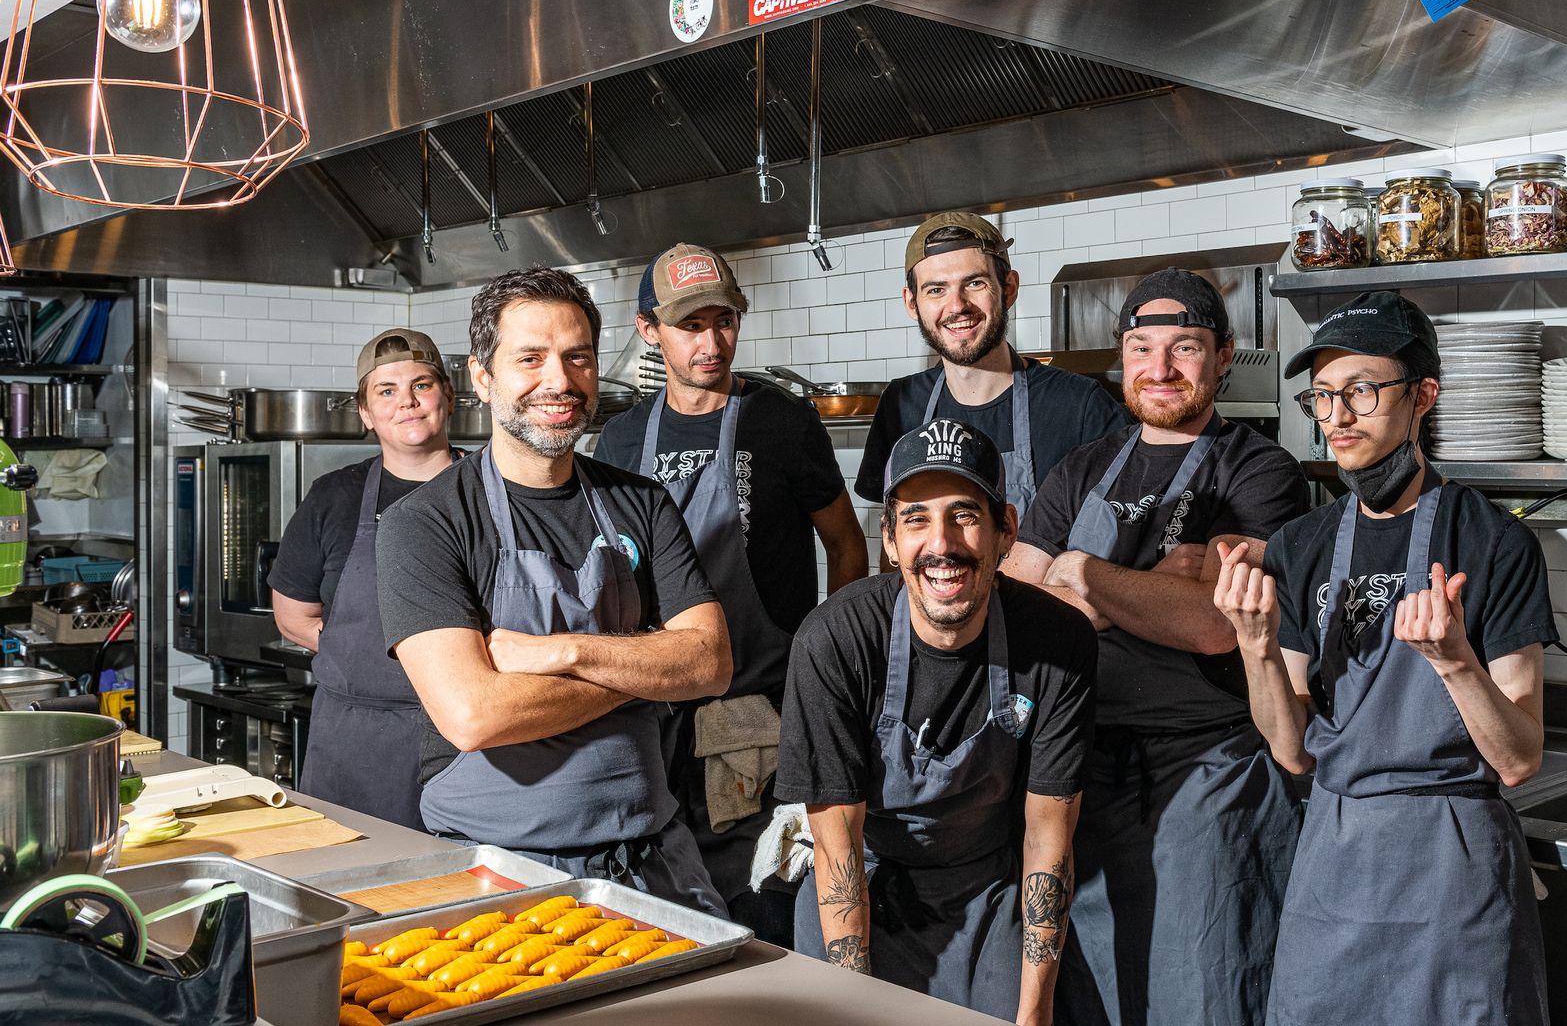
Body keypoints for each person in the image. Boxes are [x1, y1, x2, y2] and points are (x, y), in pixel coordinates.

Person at [1215, 291, 1554, 1025]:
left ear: (1423, 396)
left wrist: (1455, 661)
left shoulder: (1495, 543)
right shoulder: (1302, 545)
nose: (1337, 416)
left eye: (1362, 391)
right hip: (1334, 861)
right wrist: (1255, 644)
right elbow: (1292, 751)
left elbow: (1520, 758)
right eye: (1322, 396)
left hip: (1453, 869)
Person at [1002, 267, 1311, 1026]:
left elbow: (1213, 623)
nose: (1160, 368)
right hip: (1076, 771)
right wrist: (1139, 592)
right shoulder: (1080, 470)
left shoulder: (1259, 471)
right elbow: (1009, 616)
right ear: (1122, 355)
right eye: (1142, 348)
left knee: (1206, 997)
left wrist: (1080, 573)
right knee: (1093, 997)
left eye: (1186, 347)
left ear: (1224, 356)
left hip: (1208, 776)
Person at [377, 266, 730, 915]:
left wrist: (563, 653)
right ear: (482, 377)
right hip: (493, 873)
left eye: (578, 358)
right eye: (530, 358)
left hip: (653, 862)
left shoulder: (642, 503)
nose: (560, 381)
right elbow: (475, 714)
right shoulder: (425, 523)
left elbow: (709, 662)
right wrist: (648, 667)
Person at [778, 419, 1095, 1023]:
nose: (941, 544)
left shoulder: (1058, 641)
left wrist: (1035, 1013)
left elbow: (1047, 837)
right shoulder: (834, 641)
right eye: (917, 519)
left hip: (986, 892)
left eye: (965, 515)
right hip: (864, 883)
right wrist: (854, 1006)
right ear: (889, 539)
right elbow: (838, 845)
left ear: (1006, 531)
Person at [596, 243, 867, 941]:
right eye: (690, 326)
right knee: (665, 914)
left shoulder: (781, 421)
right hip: (656, 715)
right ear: (649, 329)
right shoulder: (621, 439)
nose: (712, 343)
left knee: (763, 907)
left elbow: (846, 543)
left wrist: (827, 666)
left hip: (760, 714)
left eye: (724, 322)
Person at [269, 328, 457, 830]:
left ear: (448, 396)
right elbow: (293, 616)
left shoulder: (493, 490)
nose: (407, 402)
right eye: (386, 391)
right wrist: (367, 651)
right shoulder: (334, 496)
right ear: (366, 413)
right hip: (355, 744)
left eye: (421, 385)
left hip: (466, 736)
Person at [856, 211, 1130, 523]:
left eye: (975, 283)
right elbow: (896, 533)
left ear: (1009, 288)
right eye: (936, 289)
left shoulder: (1080, 405)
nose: (957, 305)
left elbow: (1125, 527)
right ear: (911, 303)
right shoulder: (901, 403)